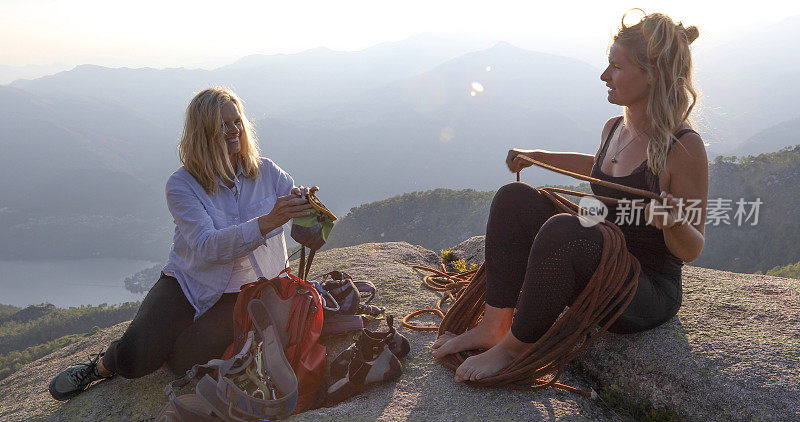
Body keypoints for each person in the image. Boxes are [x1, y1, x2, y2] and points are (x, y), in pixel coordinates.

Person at [431, 10, 708, 383]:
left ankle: (516, 348)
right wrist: (539, 157)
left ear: (651, 74)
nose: (604, 76)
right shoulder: (616, 128)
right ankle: (495, 324)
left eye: (616, 67)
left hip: (646, 290)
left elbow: (692, 249)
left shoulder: (683, 147)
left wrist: (674, 222)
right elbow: (598, 167)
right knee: (514, 199)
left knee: (566, 229)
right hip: (600, 263)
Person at [49, 87, 317, 400]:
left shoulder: (269, 172)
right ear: (203, 132)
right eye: (222, 124)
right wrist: (269, 220)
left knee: (184, 362)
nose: (233, 130)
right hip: (190, 282)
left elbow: (302, 230)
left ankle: (169, 340)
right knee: (136, 360)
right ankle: (103, 365)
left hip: (245, 291)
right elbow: (208, 247)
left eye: (237, 121)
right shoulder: (182, 185)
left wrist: (307, 210)